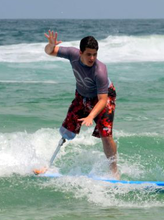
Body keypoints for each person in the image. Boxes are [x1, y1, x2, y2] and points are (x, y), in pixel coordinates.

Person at [44, 30, 119, 179]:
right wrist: (50, 46)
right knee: (66, 131)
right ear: (80, 52)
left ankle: (114, 172)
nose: (92, 58)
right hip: (82, 95)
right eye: (88, 54)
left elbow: (103, 100)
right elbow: (49, 52)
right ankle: (48, 166)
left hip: (103, 96)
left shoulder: (100, 71)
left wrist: (91, 116)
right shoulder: (72, 54)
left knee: (106, 134)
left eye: (95, 54)